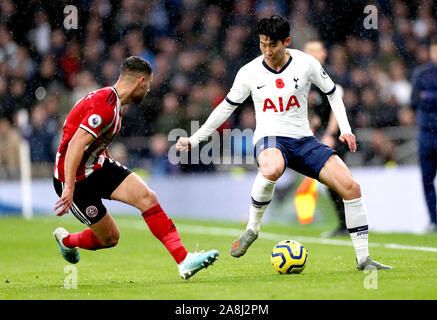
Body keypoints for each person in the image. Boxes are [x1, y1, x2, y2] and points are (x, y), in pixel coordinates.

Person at [176, 15, 391, 270]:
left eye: (273, 45)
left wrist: (345, 129)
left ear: (286, 42)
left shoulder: (306, 63)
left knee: (351, 187)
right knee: (272, 168)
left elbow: (333, 93)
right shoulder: (249, 72)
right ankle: (252, 230)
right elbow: (225, 108)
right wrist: (195, 138)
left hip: (304, 140)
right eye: (262, 44)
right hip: (270, 138)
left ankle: (364, 260)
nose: (267, 51)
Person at [52, 56, 219, 279]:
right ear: (141, 81)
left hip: (97, 166)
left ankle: (184, 260)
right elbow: (75, 144)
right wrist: (69, 188)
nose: (148, 90)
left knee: (147, 198)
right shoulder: (105, 107)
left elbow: (96, 138)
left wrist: (106, 157)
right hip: (73, 177)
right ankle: (67, 240)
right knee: (110, 238)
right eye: (148, 85)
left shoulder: (114, 103)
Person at [303, 40, 348, 237]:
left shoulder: (330, 75)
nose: (312, 55)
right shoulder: (305, 78)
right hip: (321, 135)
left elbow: (336, 107)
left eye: (316, 51)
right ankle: (343, 224)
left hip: (339, 134)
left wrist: (330, 134)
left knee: (341, 180)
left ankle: (351, 225)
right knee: (329, 182)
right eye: (309, 51)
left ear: (324, 54)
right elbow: (312, 109)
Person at [410, 36, 437, 234]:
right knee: (427, 180)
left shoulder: (424, 77)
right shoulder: (421, 73)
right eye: (436, 51)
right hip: (425, 135)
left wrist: (429, 96)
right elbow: (415, 100)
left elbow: (425, 98)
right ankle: (433, 222)